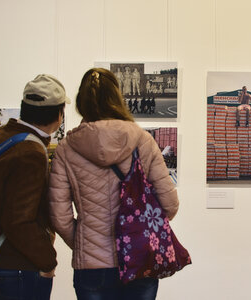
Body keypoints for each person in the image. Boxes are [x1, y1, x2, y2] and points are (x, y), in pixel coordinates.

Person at [48, 68, 179, 300]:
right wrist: (140, 230)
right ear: (117, 99)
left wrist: (84, 243)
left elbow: (60, 216)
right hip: (139, 259)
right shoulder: (143, 140)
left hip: (91, 266)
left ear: (81, 102)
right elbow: (169, 204)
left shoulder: (67, 149)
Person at [0, 74, 69, 299]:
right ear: (59, 114)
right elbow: (19, 220)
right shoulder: (31, 152)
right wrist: (48, 260)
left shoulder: (3, 134)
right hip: (20, 265)